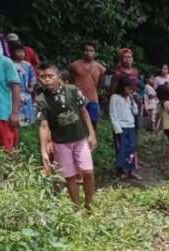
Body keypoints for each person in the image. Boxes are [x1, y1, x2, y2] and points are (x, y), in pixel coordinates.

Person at [36, 63, 97, 210]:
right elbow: (44, 126)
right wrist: (44, 150)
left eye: (50, 76)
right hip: (61, 143)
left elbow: (84, 112)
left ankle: (89, 204)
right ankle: (77, 207)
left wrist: (92, 134)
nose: (47, 80)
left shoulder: (73, 90)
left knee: (88, 171)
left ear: (58, 76)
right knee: (70, 176)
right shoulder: (41, 100)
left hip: (80, 139)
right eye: (43, 77)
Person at [110, 76, 141, 181]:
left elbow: (135, 112)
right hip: (121, 127)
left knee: (132, 148)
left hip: (131, 126)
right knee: (122, 149)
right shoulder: (115, 97)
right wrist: (117, 130)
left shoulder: (129, 98)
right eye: (128, 88)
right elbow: (113, 115)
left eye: (131, 89)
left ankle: (132, 170)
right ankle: (122, 171)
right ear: (122, 87)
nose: (129, 91)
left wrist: (133, 101)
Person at [69, 43, 106, 124]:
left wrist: (97, 91)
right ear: (82, 52)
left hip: (93, 99)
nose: (88, 53)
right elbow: (71, 82)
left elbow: (101, 84)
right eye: (86, 50)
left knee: (93, 122)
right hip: (78, 98)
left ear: (94, 53)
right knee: (78, 123)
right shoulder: (74, 65)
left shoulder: (101, 68)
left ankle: (93, 136)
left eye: (91, 50)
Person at [10, 43, 34, 127]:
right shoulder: (10, 64)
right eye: (18, 52)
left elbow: (32, 77)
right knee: (17, 108)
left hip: (26, 92)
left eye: (23, 52)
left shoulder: (28, 65)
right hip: (13, 92)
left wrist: (31, 87)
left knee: (27, 109)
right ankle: (17, 125)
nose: (21, 54)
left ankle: (28, 126)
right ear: (12, 52)